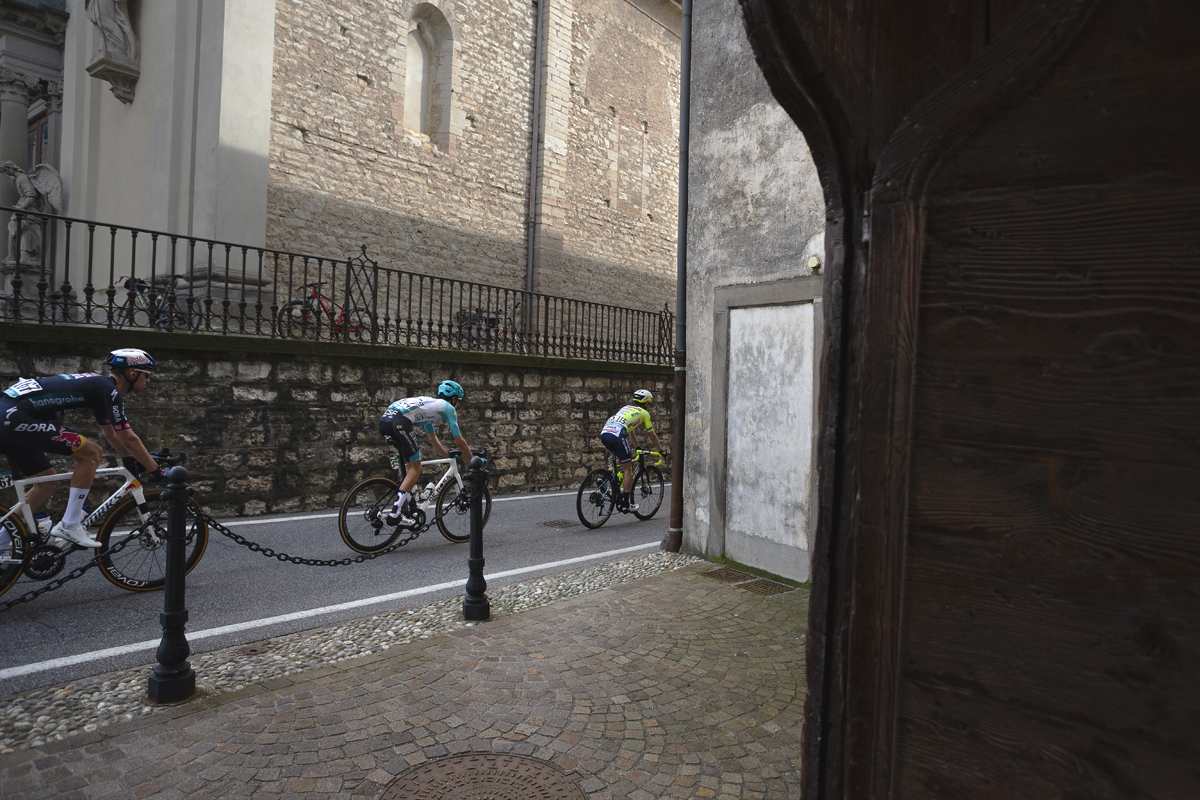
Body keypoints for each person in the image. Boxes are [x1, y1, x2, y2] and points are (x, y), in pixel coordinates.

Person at [0, 348, 167, 548]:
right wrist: (156, 469)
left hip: (10, 417)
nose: (148, 380)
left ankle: (2, 542)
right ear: (132, 373)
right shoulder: (109, 390)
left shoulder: (99, 388)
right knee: (91, 453)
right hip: (13, 417)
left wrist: (133, 458)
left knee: (47, 484)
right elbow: (128, 438)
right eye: (146, 374)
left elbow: (111, 434)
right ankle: (70, 525)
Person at [379, 380, 476, 526]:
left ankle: (412, 501)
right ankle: (395, 514)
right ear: (454, 399)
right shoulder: (448, 408)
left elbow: (432, 438)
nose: (457, 404)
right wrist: (473, 461)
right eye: (459, 401)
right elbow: (460, 442)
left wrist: (447, 457)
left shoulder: (429, 408)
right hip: (399, 422)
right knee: (416, 469)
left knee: (413, 468)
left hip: (385, 422)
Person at [599, 389, 664, 512]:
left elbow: (630, 430)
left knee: (620, 458)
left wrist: (637, 446)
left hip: (605, 433)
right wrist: (660, 450)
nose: (649, 406)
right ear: (646, 403)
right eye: (649, 403)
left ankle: (603, 479)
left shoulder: (626, 408)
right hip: (618, 435)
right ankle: (626, 504)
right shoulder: (644, 413)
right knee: (627, 468)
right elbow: (652, 435)